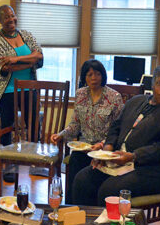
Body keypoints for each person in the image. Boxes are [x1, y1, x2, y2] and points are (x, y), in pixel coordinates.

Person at [71, 65, 160, 206]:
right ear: (153, 84)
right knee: (82, 179)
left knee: (108, 190)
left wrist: (134, 156)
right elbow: (116, 126)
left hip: (155, 169)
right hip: (121, 161)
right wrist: (107, 150)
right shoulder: (136, 101)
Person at [50, 59, 123, 204]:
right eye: (89, 75)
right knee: (75, 160)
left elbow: (119, 130)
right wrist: (61, 135)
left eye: (97, 74)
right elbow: (75, 125)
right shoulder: (80, 94)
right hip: (83, 148)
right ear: (84, 77)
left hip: (104, 151)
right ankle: (71, 208)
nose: (94, 78)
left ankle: (91, 211)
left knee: (91, 175)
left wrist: (102, 144)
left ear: (103, 75)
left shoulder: (114, 97)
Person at [0, 4, 43, 182]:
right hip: (8, 90)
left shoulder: (26, 34)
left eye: (12, 16)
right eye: (6, 17)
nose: (11, 20)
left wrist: (15, 59)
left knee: (34, 126)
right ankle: (9, 165)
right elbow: (4, 68)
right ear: (0, 21)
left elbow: (40, 57)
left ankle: (36, 162)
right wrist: (29, 60)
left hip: (30, 87)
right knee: (7, 128)